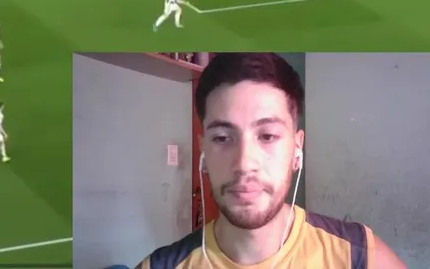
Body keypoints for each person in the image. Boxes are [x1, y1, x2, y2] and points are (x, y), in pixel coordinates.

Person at [135, 53, 407, 269]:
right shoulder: (161, 266)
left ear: (297, 149)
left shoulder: (359, 256)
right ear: (203, 148)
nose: (244, 164)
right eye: (222, 138)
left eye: (267, 136)